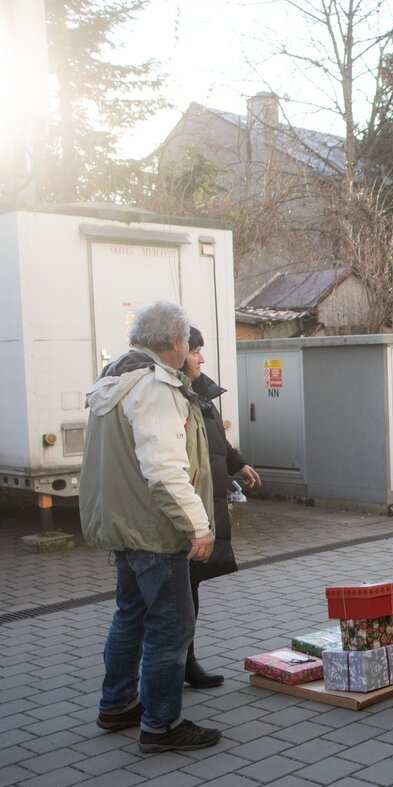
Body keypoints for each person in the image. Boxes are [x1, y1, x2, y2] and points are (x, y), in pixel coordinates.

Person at [81, 300, 221, 753]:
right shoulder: (155, 388)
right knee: (170, 625)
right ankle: (162, 725)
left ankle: (118, 704)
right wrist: (198, 526)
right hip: (154, 529)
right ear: (176, 343)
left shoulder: (115, 379)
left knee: (131, 614)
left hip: (122, 523)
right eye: (188, 342)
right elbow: (164, 470)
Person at [183, 327, 261, 688]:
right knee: (176, 597)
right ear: (175, 349)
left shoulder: (199, 392)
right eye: (195, 351)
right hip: (185, 511)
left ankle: (186, 661)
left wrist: (237, 464)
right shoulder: (171, 395)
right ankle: (170, 672)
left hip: (203, 505)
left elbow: (216, 440)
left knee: (190, 588)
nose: (201, 358)